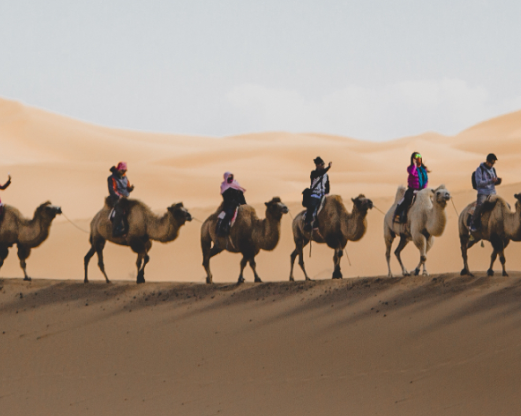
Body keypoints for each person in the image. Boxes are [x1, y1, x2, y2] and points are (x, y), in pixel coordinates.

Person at [394, 152, 429, 223]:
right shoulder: (410, 168)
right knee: (407, 199)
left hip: (421, 190)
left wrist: (423, 189)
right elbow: (412, 172)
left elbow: (425, 180)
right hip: (412, 189)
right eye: (416, 157)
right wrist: (414, 165)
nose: (418, 158)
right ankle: (398, 215)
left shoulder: (423, 169)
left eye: (419, 156)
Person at [470, 153, 500, 232]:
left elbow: (494, 179)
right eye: (491, 162)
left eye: (494, 163)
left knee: (501, 204)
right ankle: (473, 223)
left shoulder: (493, 170)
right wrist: (490, 181)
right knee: (480, 205)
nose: (492, 164)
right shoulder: (479, 170)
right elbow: (479, 183)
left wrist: (497, 181)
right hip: (483, 193)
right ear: (487, 161)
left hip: (492, 192)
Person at [304, 157, 332, 232]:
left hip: (323, 194)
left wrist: (327, 193)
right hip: (315, 194)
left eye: (324, 164)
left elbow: (327, 184)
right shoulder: (314, 173)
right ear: (317, 165)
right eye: (321, 164)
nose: (323, 165)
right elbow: (320, 173)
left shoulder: (326, 175)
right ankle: (308, 223)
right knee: (312, 206)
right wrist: (328, 167)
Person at [107, 162, 134, 237]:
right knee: (120, 211)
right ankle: (116, 230)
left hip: (124, 199)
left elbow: (126, 188)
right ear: (118, 169)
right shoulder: (111, 178)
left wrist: (130, 189)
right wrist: (119, 197)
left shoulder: (125, 177)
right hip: (116, 199)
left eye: (125, 171)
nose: (124, 172)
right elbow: (112, 190)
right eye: (122, 170)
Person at [217, 172, 246, 236]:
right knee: (229, 214)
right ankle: (221, 229)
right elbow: (226, 198)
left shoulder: (236, 184)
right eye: (229, 177)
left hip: (239, 204)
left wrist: (244, 205)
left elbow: (241, 195)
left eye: (231, 176)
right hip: (229, 205)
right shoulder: (224, 186)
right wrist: (235, 203)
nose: (230, 178)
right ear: (226, 177)